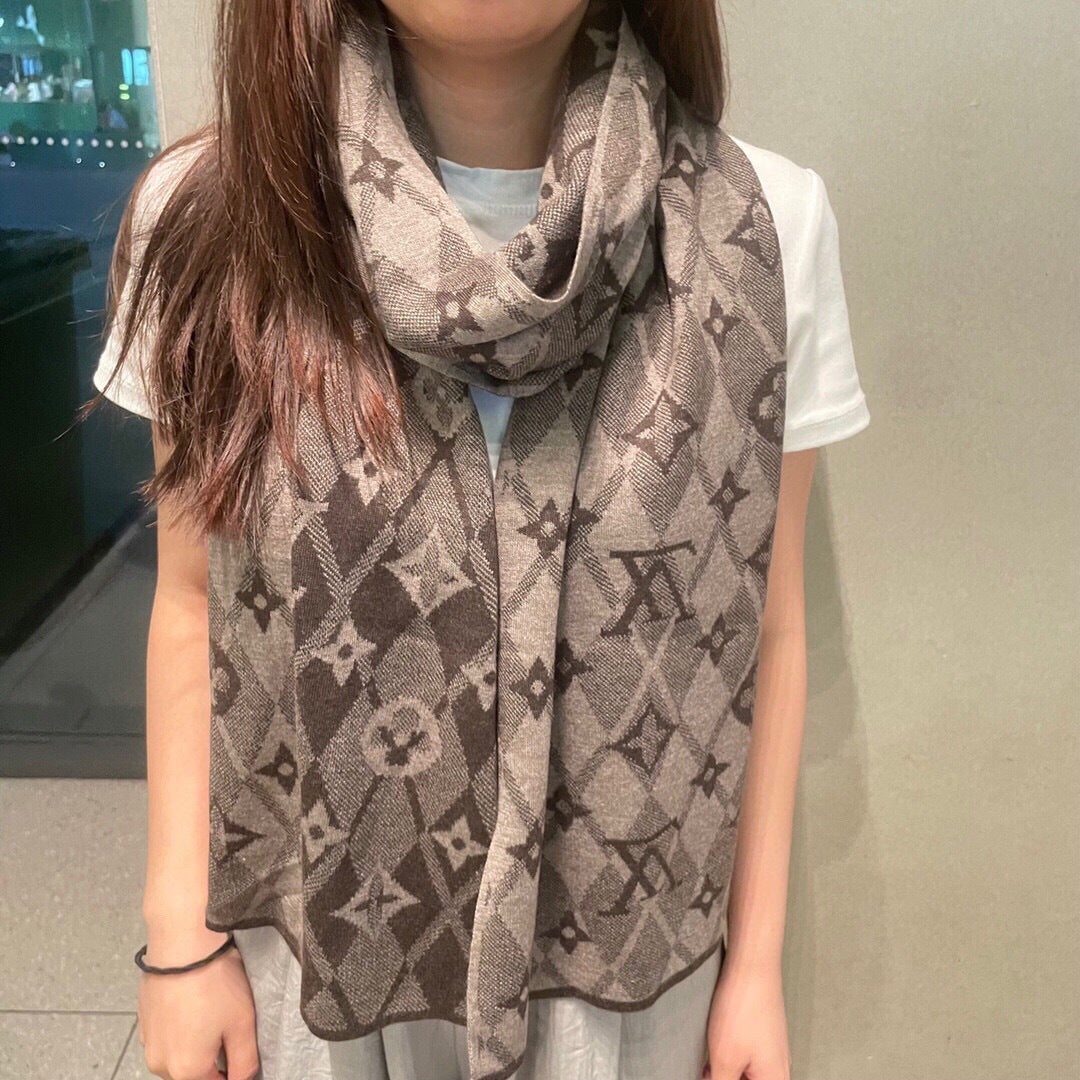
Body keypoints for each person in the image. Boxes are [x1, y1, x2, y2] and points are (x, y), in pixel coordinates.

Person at [89, 1, 871, 1078]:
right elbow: (192, 600)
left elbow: (762, 631)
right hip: (313, 957)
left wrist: (754, 971)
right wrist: (180, 940)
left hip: (629, 975)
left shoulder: (765, 227)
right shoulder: (212, 217)